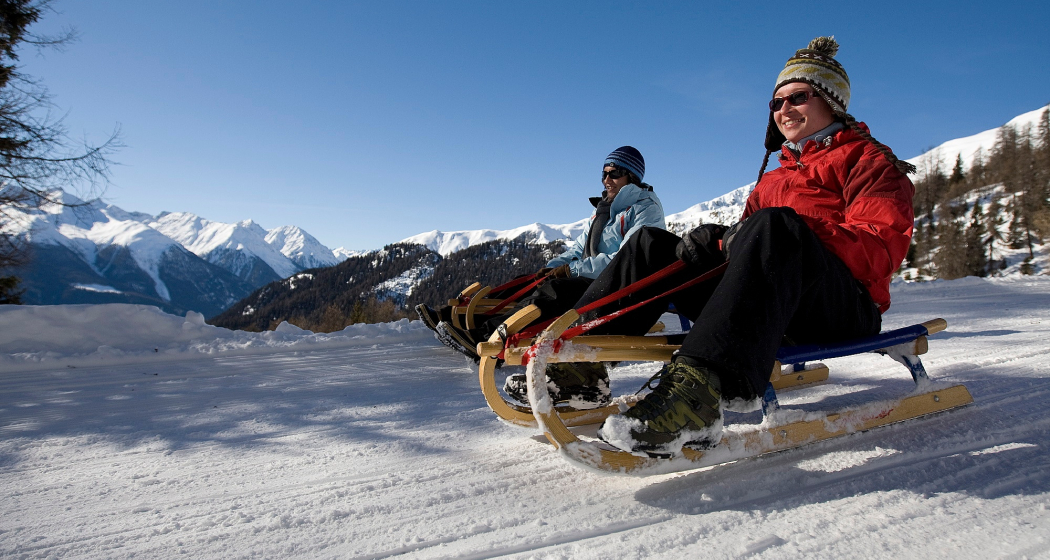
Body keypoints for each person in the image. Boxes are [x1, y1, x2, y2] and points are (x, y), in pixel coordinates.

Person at [559, 36, 916, 454]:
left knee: (775, 225)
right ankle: (580, 367)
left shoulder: (870, 162)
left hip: (839, 308)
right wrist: (714, 240)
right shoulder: (775, 177)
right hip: (768, 301)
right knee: (650, 244)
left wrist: (788, 231)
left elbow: (878, 251)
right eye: (776, 103)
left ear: (831, 102)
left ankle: (696, 400)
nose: (784, 110)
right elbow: (747, 243)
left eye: (797, 98)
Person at [416, 146, 665, 407]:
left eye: (614, 173)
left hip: (613, 282)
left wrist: (572, 270)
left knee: (557, 291)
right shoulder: (604, 210)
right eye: (603, 173)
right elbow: (578, 248)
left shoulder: (644, 209)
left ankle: (488, 336)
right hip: (590, 274)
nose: (606, 179)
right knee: (532, 281)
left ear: (632, 177)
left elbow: (625, 260)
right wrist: (551, 268)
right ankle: (459, 322)